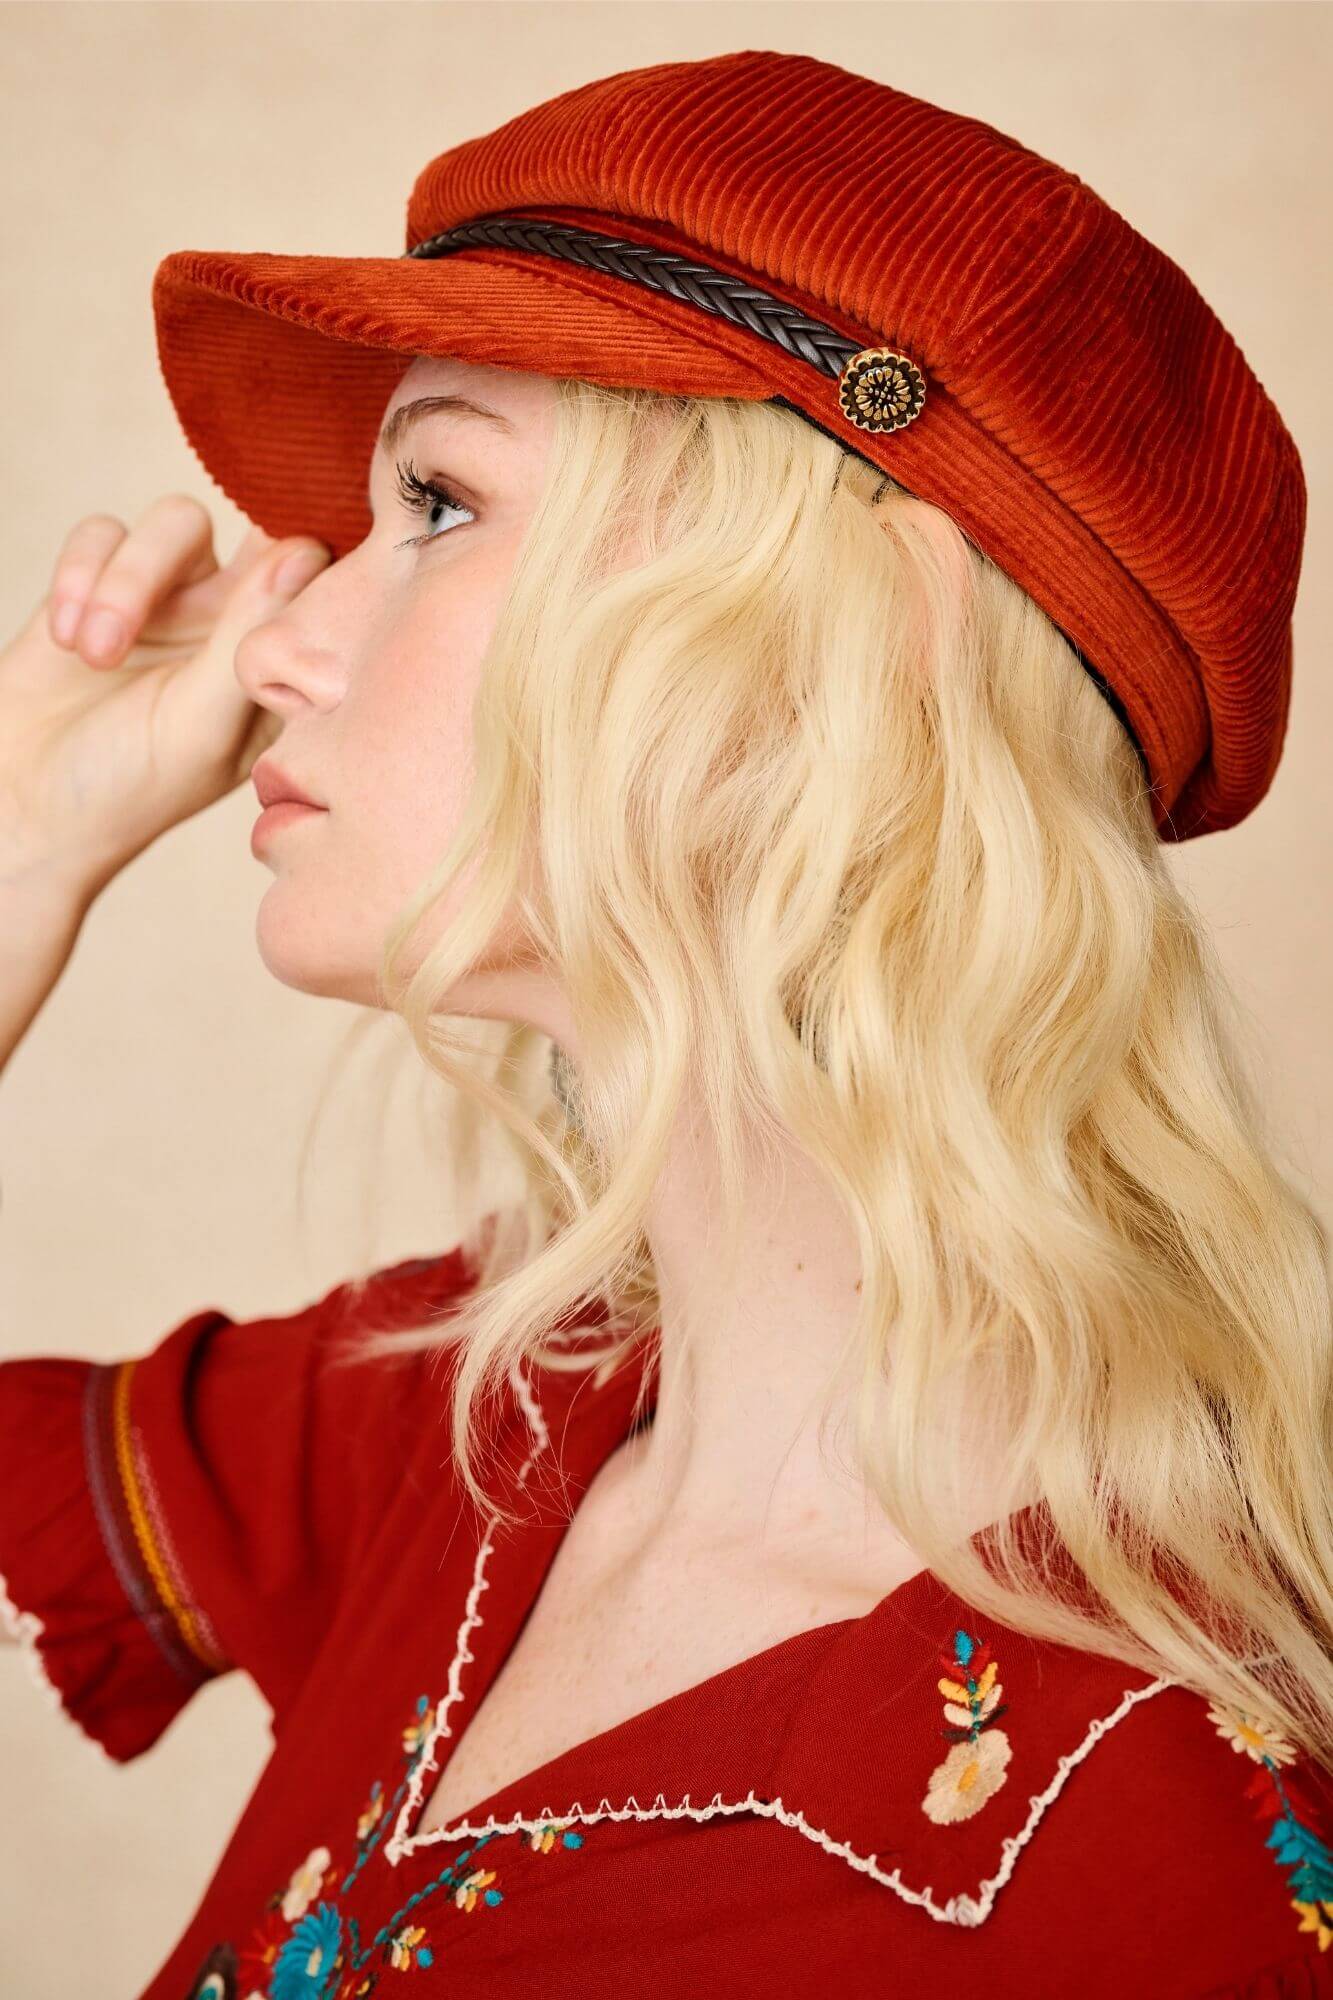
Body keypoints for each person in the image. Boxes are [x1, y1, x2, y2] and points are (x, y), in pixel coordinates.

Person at [3, 46, 1332, 2000]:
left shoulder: (1153, 1870)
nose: (278, 637)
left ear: (865, 648)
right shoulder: (484, 1407)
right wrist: (20, 851)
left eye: (438, 499)